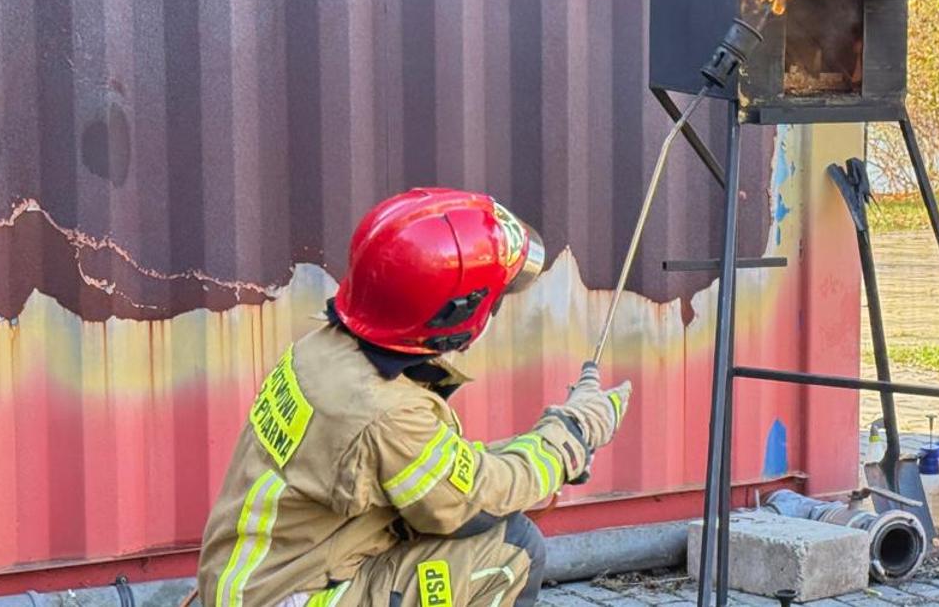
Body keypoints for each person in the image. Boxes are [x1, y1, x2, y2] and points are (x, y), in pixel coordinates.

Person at [197, 188, 631, 607]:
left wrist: (548, 440)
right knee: (510, 552)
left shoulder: (323, 350)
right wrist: (568, 440)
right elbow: (467, 504)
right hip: (296, 595)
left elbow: (442, 474)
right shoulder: (386, 412)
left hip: (251, 580)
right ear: (457, 313)